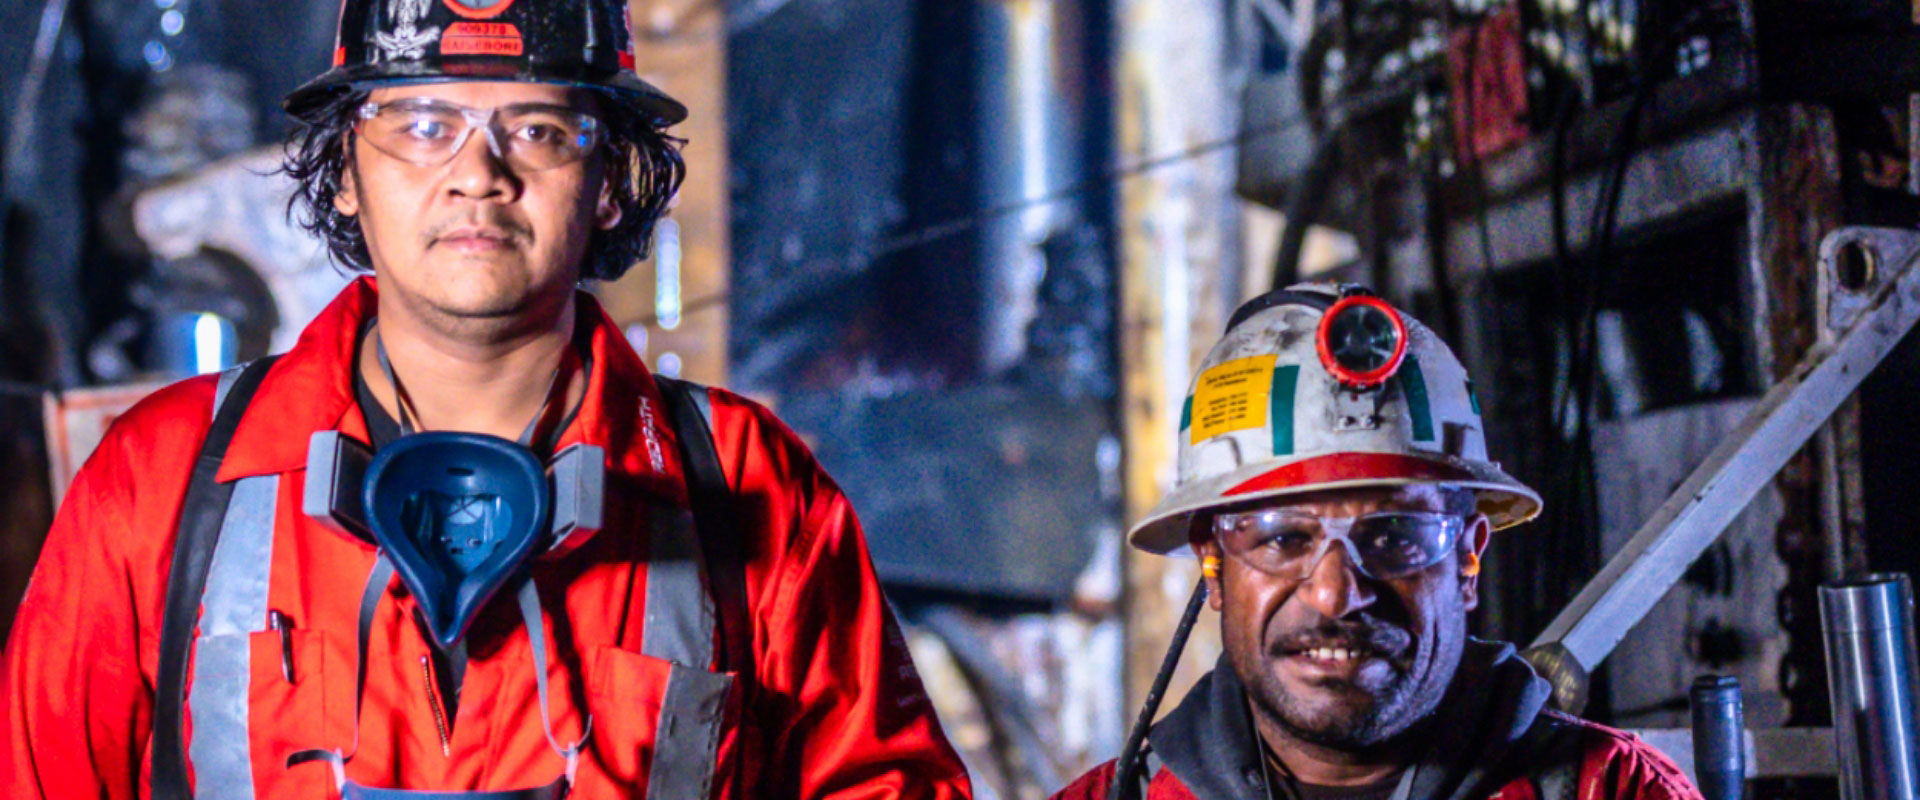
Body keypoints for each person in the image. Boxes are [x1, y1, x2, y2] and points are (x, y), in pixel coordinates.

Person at [0, 1, 972, 797]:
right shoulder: (162, 484)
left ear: (606, 180)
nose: (478, 172)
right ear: (345, 171)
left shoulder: (753, 489)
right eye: (425, 125)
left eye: (538, 128)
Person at [1053, 286, 1700, 800]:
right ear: (1213, 565)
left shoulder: (1615, 791)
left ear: (1469, 557)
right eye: (1284, 538)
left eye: (1395, 536)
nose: (1336, 592)